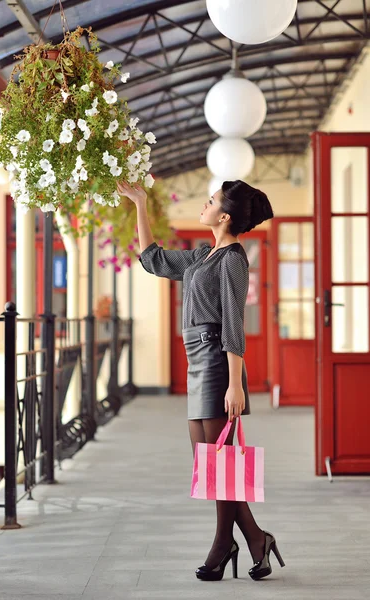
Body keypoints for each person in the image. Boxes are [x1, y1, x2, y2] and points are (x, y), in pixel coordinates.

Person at [117, 179, 284, 582]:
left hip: (215, 363)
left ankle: (223, 546)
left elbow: (233, 324)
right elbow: (152, 260)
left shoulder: (233, 261)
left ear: (223, 216)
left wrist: (235, 383)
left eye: (210, 201)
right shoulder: (203, 256)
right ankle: (256, 540)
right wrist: (139, 202)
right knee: (211, 465)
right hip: (197, 362)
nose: (203, 205)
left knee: (219, 463)